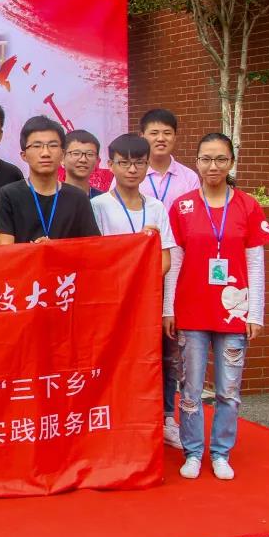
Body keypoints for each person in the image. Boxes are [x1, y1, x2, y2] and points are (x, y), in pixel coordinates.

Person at [163, 133, 269, 481]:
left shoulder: (248, 206)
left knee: (228, 390)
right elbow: (173, 262)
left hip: (234, 310)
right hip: (191, 311)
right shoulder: (182, 206)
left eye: (220, 159)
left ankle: (221, 452)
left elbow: (255, 263)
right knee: (191, 387)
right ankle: (193, 451)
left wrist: (256, 312)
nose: (213, 166)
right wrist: (169, 308)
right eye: (206, 159)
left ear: (231, 163)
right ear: (196, 163)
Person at [91, 134, 178, 447]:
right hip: (110, 304)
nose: (131, 170)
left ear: (147, 166)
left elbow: (165, 258)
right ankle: (110, 427)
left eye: (139, 163)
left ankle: (148, 427)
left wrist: (142, 269)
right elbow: (96, 257)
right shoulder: (98, 206)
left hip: (145, 303)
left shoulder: (156, 207)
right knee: (112, 364)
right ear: (110, 165)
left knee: (145, 365)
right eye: (124, 163)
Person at [139, 108, 201, 449]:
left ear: (176, 137)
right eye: (154, 132)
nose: (160, 138)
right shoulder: (132, 172)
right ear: (143, 136)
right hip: (136, 278)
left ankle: (166, 417)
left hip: (176, 273)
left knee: (170, 351)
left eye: (166, 133)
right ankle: (138, 417)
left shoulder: (189, 178)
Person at [0, 116, 100, 244]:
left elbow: (92, 247)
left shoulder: (78, 198)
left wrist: (55, 249)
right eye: (37, 146)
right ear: (24, 155)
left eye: (53, 145)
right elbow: (5, 249)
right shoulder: (9, 195)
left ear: (62, 154)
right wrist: (33, 251)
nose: (45, 153)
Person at [63, 129, 104, 197]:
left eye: (90, 154)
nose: (83, 160)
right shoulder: (50, 197)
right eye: (76, 153)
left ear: (97, 160)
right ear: (62, 158)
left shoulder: (103, 200)